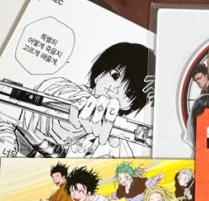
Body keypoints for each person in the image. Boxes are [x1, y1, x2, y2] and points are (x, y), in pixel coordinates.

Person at [16, 42, 154, 158]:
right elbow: (56, 93)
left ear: (130, 105)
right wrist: (82, 107)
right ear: (99, 74)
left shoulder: (119, 142)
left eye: (129, 93)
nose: (116, 90)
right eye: (115, 76)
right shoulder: (62, 88)